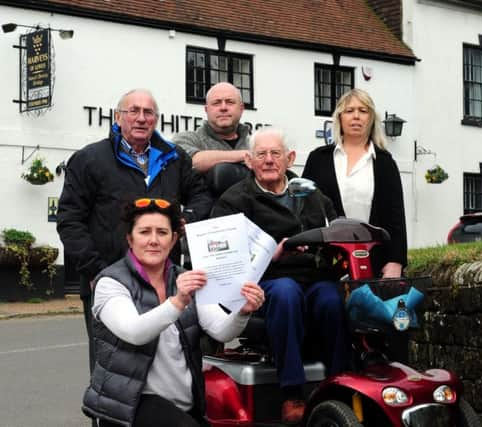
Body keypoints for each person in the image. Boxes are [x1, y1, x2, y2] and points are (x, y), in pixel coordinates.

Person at [56, 89, 213, 417]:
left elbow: (200, 195)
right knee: (114, 372)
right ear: (118, 117)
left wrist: (189, 219)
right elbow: (70, 221)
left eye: (148, 112)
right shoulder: (89, 159)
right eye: (133, 111)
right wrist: (97, 272)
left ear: (156, 119)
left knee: (171, 364)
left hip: (165, 279)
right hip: (110, 280)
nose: (141, 118)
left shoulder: (173, 157)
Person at [82, 198, 265, 427]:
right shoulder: (111, 282)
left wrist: (243, 311)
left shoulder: (187, 278)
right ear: (130, 239)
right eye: (144, 232)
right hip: (130, 407)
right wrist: (178, 302)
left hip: (184, 404)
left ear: (174, 239)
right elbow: (134, 331)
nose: (153, 240)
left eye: (162, 232)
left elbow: (221, 331)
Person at [211, 127, 347, 425]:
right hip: (265, 279)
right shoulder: (234, 200)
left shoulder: (312, 194)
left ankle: (338, 386)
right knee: (286, 293)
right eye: (261, 154)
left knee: (332, 299)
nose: (269, 160)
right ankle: (292, 393)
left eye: (276, 154)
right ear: (249, 160)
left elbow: (336, 229)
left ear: (290, 158)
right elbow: (221, 257)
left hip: (313, 275)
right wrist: (267, 255)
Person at [302, 88, 407, 278]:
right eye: (349, 111)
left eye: (363, 111)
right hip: (326, 261)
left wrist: (395, 261)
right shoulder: (318, 159)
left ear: (371, 118)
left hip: (374, 260)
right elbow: (304, 209)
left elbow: (396, 217)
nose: (356, 116)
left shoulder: (384, 162)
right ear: (340, 118)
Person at [173, 82, 250, 173]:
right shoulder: (187, 139)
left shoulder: (254, 143)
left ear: (241, 108)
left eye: (230, 102)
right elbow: (192, 161)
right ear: (206, 110)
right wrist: (249, 155)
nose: (223, 108)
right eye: (216, 103)